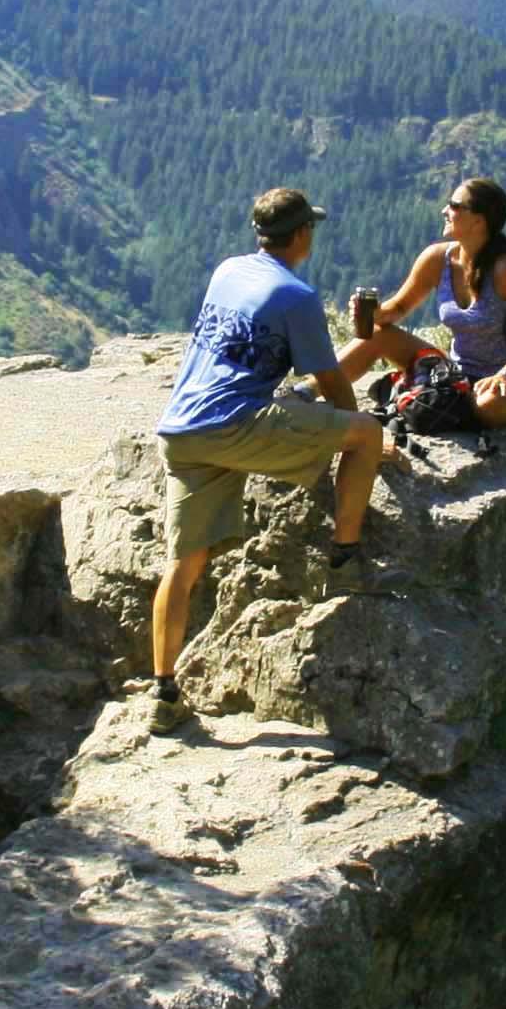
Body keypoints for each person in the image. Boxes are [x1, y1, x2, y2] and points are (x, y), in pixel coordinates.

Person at [145, 187, 396, 728]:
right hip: (237, 423)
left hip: (182, 428)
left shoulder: (228, 270)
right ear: (302, 234)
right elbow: (335, 386)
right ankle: (344, 558)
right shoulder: (296, 295)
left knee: (183, 567)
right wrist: (360, 439)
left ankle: (164, 694)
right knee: (368, 434)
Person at [350, 176, 506, 429]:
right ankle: (307, 392)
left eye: (454, 206)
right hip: (455, 371)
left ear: (478, 221)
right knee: (379, 335)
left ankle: (426, 399)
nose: (445, 210)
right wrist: (374, 314)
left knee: (491, 405)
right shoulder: (438, 258)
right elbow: (399, 309)